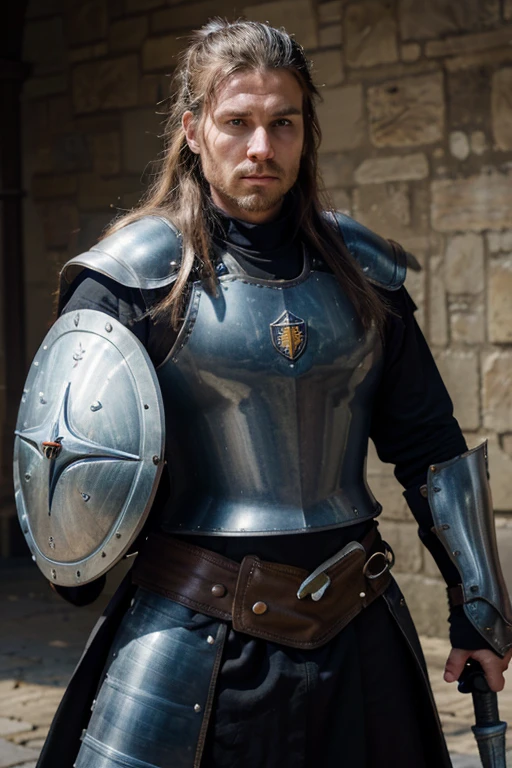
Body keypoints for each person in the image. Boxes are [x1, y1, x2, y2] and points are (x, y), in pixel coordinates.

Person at [16, 19, 512, 768]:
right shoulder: (131, 278)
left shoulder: (364, 274)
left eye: (283, 124)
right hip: (192, 639)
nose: (261, 148)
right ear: (192, 131)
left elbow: (430, 447)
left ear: (306, 132)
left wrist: (480, 614)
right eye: (237, 123)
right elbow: (69, 470)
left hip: (360, 633)